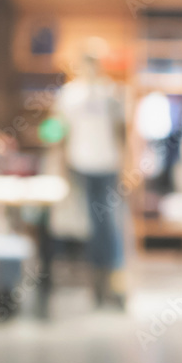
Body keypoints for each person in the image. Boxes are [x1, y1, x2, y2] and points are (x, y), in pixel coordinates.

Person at [55, 44, 126, 308]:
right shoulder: (70, 95)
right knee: (84, 224)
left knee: (108, 223)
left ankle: (112, 283)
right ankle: (93, 283)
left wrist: (126, 163)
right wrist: (60, 166)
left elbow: (122, 131)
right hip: (79, 165)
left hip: (107, 165)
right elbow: (60, 131)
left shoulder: (112, 93)